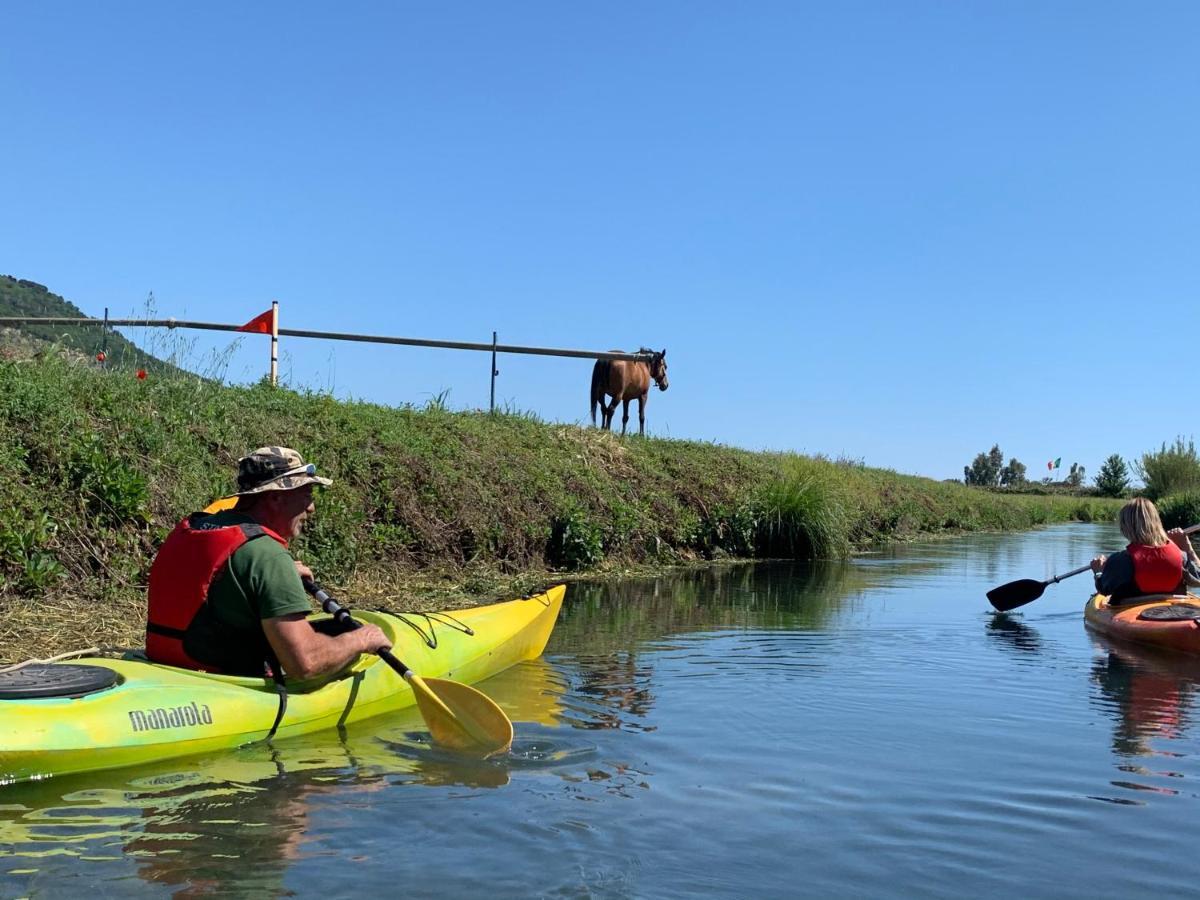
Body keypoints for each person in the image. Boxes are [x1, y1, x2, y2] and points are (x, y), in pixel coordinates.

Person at [146, 446, 390, 678]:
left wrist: (270, 579)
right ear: (275, 497)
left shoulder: (197, 527)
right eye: (306, 494)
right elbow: (305, 663)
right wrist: (361, 639)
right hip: (221, 682)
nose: (311, 508)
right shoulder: (267, 556)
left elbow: (215, 579)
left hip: (166, 664)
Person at [1090, 497, 1200, 603]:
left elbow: (1104, 589)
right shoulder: (1181, 557)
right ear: (1157, 523)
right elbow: (1198, 578)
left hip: (1128, 614)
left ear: (1125, 527)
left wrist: (1098, 572)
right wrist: (1186, 547)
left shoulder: (1120, 561)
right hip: (1175, 612)